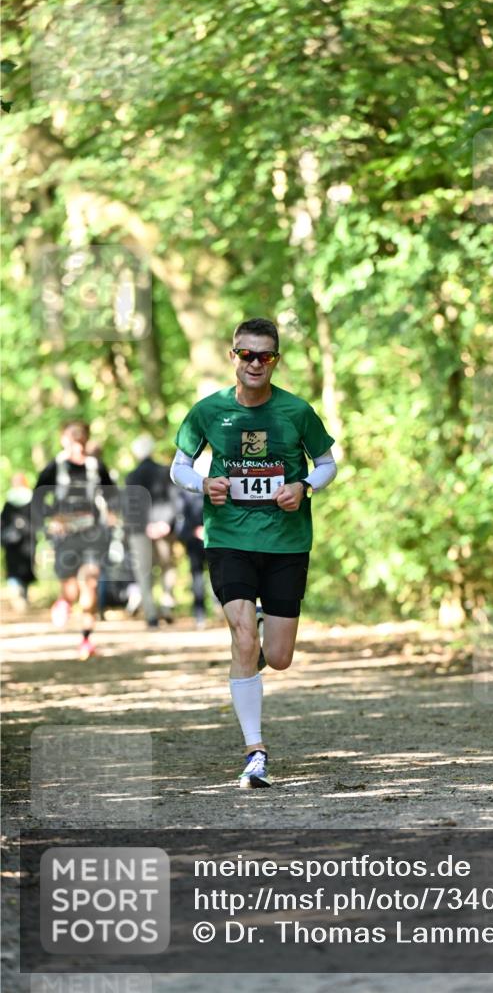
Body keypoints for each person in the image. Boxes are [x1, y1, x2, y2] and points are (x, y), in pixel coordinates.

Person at [171, 317, 337, 789]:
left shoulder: (297, 412)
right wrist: (203, 483)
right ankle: (255, 752)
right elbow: (179, 467)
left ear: (276, 360)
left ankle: (261, 632)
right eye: (247, 354)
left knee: (278, 657)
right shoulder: (208, 411)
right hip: (228, 539)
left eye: (265, 355)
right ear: (234, 357)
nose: (256, 363)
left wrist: (304, 486)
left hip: (286, 542)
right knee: (243, 639)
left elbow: (327, 463)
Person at [33, 421, 115, 659]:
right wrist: (50, 519)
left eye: (81, 442)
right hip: (65, 535)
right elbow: (37, 499)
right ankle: (64, 602)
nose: (77, 447)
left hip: (91, 533)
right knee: (70, 589)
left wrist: (112, 513)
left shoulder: (95, 466)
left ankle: (86, 639)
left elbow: (112, 494)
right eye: (73, 442)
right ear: (64, 442)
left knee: (90, 582)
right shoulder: (55, 467)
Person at [125, 435, 179, 628]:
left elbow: (130, 506)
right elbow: (175, 500)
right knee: (167, 567)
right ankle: (167, 605)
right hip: (163, 528)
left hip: (140, 530)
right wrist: (165, 522)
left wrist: (146, 525)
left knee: (144, 571)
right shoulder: (164, 471)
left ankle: (151, 614)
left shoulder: (131, 476)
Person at [173, 485, 208, 628]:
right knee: (198, 577)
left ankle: (204, 614)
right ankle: (200, 615)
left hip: (211, 537)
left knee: (208, 575)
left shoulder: (185, 490)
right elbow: (180, 515)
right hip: (196, 540)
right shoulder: (184, 491)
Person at [1, 473, 36, 611]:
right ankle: (21, 595)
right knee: (25, 569)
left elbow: (3, 522)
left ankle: (19, 595)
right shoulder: (31, 499)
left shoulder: (9, 502)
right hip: (26, 541)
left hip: (13, 542)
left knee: (15, 569)